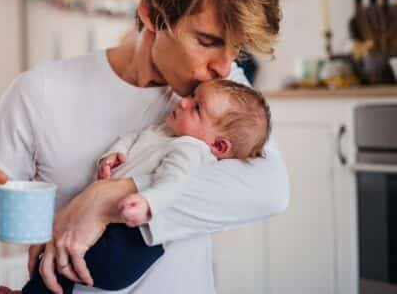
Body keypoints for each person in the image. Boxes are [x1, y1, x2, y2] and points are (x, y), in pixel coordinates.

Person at [0, 0, 289, 294]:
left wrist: (105, 198)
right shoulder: (39, 93)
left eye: (236, 49)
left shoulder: (221, 94)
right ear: (152, 15)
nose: (223, 67)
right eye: (207, 41)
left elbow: (270, 190)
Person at [22, 79, 271, 293]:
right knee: (61, 253)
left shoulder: (189, 149)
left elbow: (174, 182)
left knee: (67, 256)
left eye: (197, 108)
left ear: (218, 147)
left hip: (131, 244)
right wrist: (115, 153)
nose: (183, 102)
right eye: (192, 95)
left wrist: (147, 202)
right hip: (114, 225)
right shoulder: (164, 131)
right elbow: (132, 138)